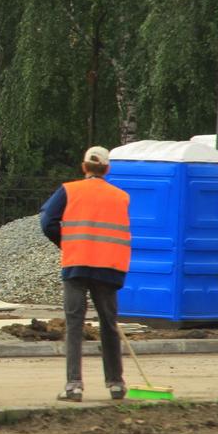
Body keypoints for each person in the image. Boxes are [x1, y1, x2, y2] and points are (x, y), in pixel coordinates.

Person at [40, 146, 130, 402]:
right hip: (109, 267)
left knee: (74, 325)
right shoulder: (121, 197)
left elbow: (47, 222)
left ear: (83, 167)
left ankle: (74, 386)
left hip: (77, 265)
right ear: (107, 169)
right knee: (109, 325)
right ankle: (116, 384)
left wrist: (67, 244)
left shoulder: (69, 190)